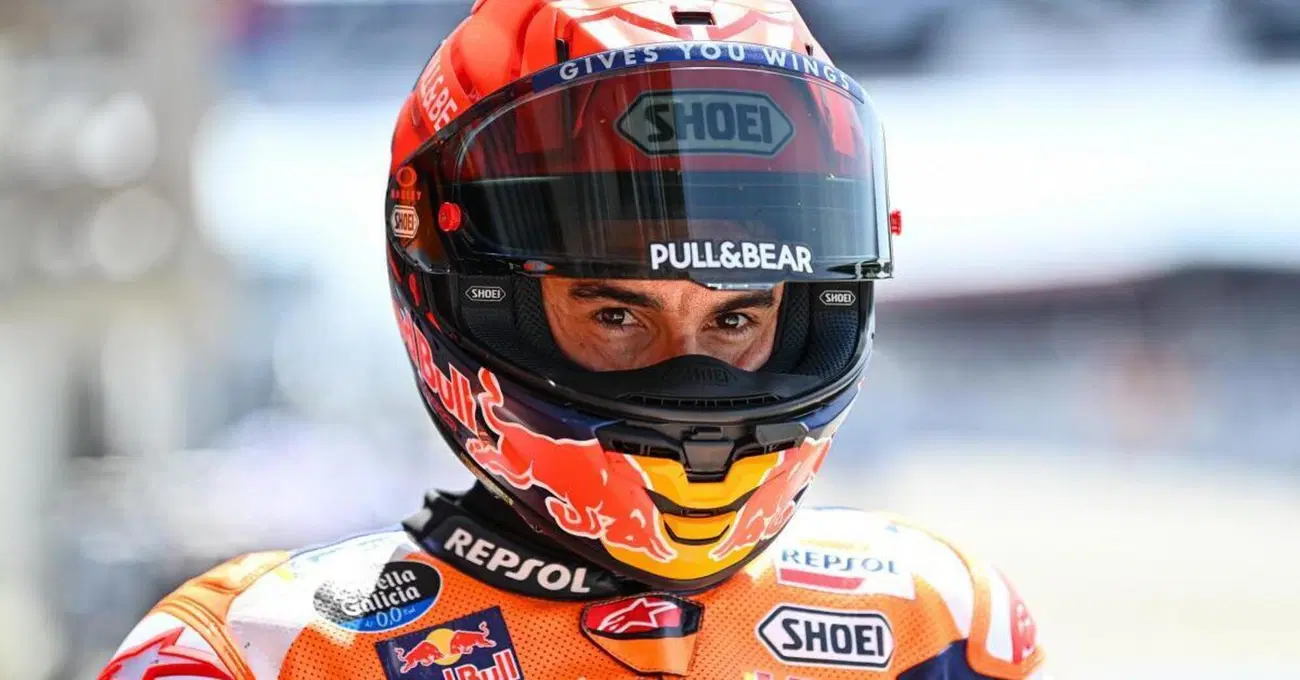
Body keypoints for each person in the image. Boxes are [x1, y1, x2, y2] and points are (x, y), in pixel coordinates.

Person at [100, 1, 1049, 679]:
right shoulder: (263, 653)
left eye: (736, 318)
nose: (693, 379)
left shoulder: (932, 623)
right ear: (476, 299)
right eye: (617, 316)